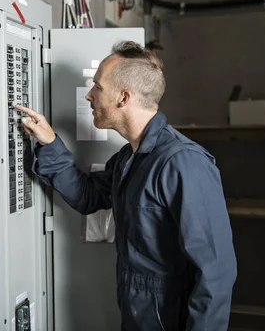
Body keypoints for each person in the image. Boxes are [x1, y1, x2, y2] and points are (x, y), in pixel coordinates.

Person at [16, 41, 237, 331]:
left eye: (97, 87)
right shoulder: (128, 157)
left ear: (123, 97)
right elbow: (88, 196)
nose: (89, 96)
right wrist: (49, 142)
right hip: (138, 314)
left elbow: (215, 272)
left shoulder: (183, 162)